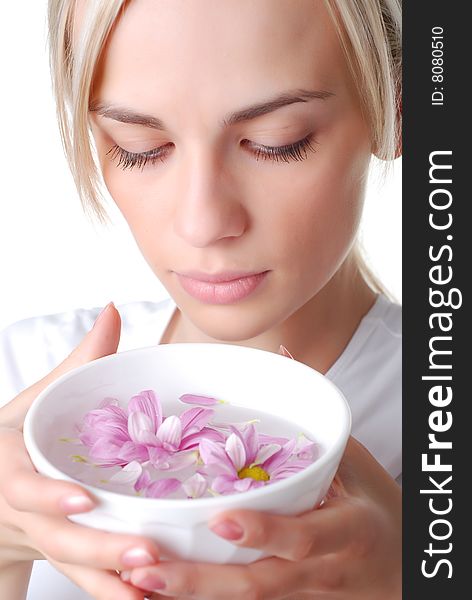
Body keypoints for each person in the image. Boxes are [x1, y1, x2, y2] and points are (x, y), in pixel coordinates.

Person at [0, 0, 402, 598]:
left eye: (276, 142)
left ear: (396, 107)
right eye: (140, 147)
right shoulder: (20, 376)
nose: (203, 222)